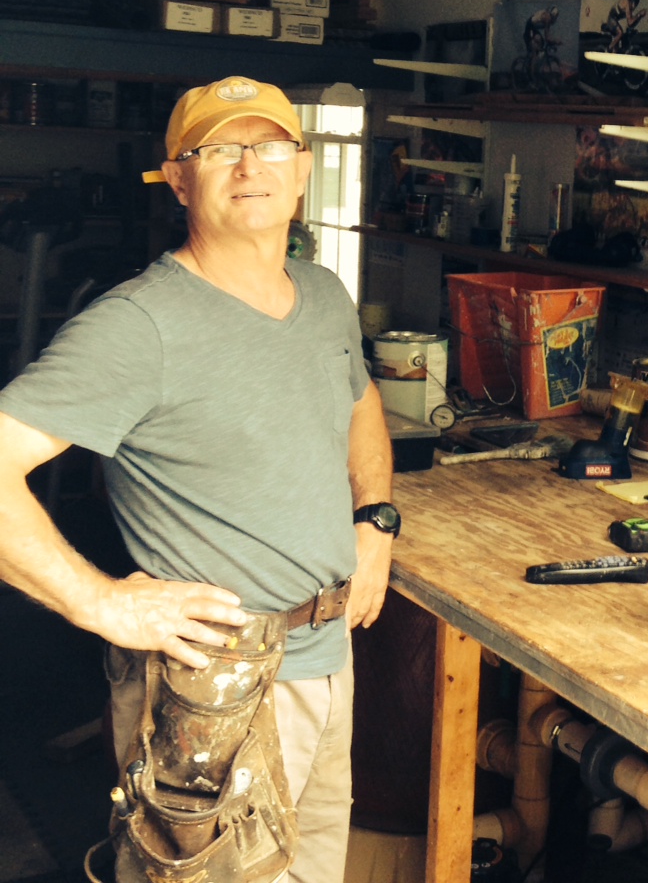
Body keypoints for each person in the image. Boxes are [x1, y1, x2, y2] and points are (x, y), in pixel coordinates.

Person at [0, 75, 395, 883]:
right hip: (212, 692)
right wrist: (97, 600)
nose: (250, 166)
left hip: (327, 658)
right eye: (218, 151)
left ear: (303, 167)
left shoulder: (323, 295)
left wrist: (376, 518)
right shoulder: (139, 325)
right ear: (178, 180)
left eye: (270, 146)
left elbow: (361, 404)